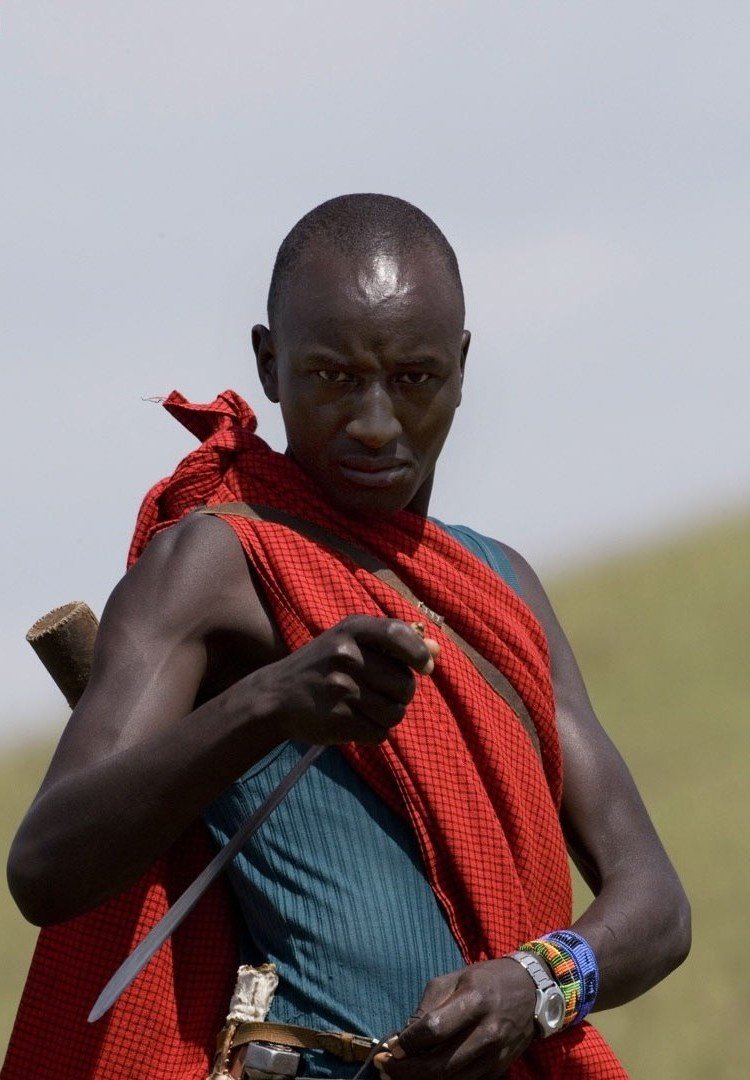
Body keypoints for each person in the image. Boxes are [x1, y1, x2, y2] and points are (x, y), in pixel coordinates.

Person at [4, 195, 690, 1080]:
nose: (374, 424)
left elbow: (656, 906)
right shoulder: (217, 562)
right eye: (334, 377)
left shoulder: (503, 588)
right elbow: (46, 865)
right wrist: (269, 702)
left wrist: (536, 983)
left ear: (462, 367)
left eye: (414, 379)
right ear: (270, 364)